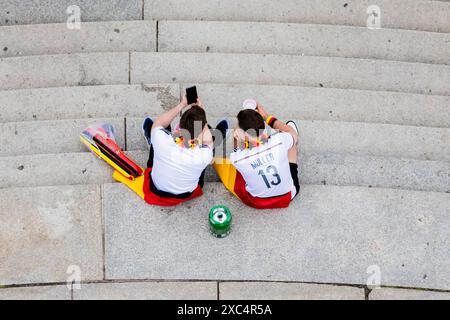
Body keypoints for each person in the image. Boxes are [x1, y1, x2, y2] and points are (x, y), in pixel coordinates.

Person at [213, 101, 300, 209]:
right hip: (287, 196)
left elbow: (237, 151)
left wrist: (236, 139)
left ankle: (212, 144)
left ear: (243, 134)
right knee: (291, 144)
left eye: (237, 125)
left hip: (258, 201)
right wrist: (266, 116)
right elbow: (292, 132)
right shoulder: (279, 139)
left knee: (226, 166)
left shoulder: (237, 158)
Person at [139, 94, 214, 206]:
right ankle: (217, 133)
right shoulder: (204, 155)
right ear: (201, 131)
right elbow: (209, 142)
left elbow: (158, 123)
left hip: (156, 188)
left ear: (180, 125)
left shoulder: (162, 139)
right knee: (209, 144)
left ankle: (151, 139)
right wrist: (202, 116)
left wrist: (182, 104)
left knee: (162, 129)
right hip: (185, 193)